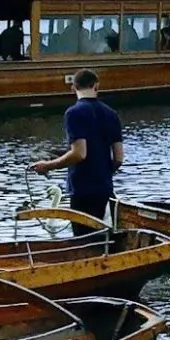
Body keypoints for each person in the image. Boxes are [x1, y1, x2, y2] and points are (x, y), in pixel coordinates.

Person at [29, 68, 123, 237]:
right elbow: (118, 158)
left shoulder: (73, 113)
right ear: (97, 86)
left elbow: (79, 153)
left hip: (82, 189)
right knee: (103, 239)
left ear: (73, 88)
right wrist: (103, 173)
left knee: (83, 241)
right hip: (105, 188)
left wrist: (48, 166)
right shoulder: (112, 114)